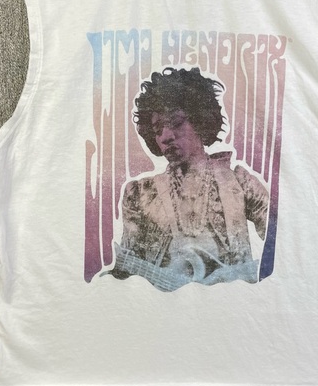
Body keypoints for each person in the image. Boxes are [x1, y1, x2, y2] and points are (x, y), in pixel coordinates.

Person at [111, 67, 269, 291]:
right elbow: (128, 277)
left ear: (200, 121)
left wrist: (247, 274)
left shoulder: (240, 183)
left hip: (235, 305)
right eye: (157, 129)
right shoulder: (139, 193)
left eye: (176, 122)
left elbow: (284, 239)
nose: (166, 136)